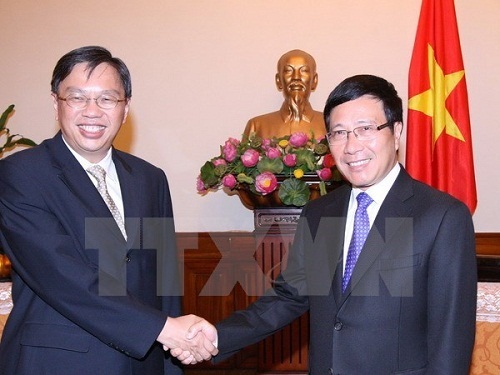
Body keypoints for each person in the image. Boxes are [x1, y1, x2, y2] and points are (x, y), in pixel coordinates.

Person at [177, 74, 478, 374]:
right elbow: (290, 296)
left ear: (396, 131)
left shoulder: (442, 217)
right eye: (339, 133)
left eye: (365, 129)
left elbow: (450, 342)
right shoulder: (321, 214)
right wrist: (218, 336)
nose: (351, 146)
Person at [0, 46, 217, 374]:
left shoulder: (150, 178)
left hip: (141, 362)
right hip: (57, 362)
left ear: (125, 108)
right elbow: (60, 274)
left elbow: (164, 282)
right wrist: (165, 329)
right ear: (55, 102)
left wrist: (172, 359)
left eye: (107, 99)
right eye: (77, 97)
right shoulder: (21, 174)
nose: (92, 111)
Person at [243, 49, 326, 140]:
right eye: (288, 71)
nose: (296, 77)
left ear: (314, 81)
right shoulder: (257, 126)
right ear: (278, 80)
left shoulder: (329, 125)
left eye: (304, 71)